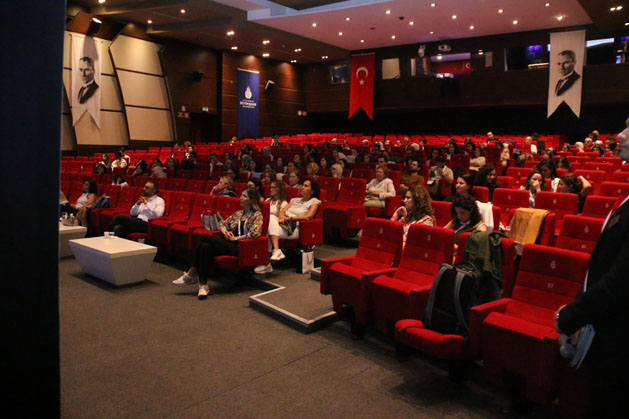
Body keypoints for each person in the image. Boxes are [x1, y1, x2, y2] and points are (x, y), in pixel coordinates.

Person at [172, 187, 264, 298]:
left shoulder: (257, 215)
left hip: (241, 247)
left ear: (252, 200)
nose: (240, 198)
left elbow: (254, 234)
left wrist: (236, 238)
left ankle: (191, 274)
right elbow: (222, 224)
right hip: (228, 243)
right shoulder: (238, 213)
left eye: (244, 196)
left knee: (202, 237)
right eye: (241, 195)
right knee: (205, 247)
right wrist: (225, 232)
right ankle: (203, 285)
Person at [265, 179, 321, 262]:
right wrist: (282, 217)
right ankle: (275, 251)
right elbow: (282, 211)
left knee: (267, 229)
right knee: (271, 217)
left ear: (312, 191)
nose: (302, 187)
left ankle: (267, 260)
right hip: (285, 224)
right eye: (302, 185)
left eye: (306, 186)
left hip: (296, 228)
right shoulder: (294, 200)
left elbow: (308, 217)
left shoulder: (314, 201)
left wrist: (289, 218)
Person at [255, 180, 289, 274]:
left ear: (280, 189)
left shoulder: (283, 203)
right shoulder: (267, 201)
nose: (271, 189)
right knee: (266, 227)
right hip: (265, 225)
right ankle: (272, 255)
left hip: (279, 227)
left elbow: (282, 219)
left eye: (274, 187)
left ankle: (266, 262)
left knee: (270, 219)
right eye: (270, 187)